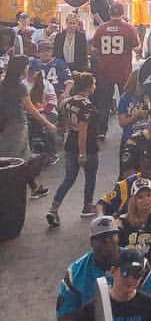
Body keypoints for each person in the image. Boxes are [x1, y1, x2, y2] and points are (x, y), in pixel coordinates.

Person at [0, 53, 56, 201]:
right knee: (14, 160)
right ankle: (13, 191)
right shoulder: (20, 87)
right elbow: (31, 110)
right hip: (18, 126)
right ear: (21, 68)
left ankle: (35, 187)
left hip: (4, 125)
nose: (27, 69)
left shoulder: (2, 83)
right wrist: (48, 124)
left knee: (21, 158)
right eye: (26, 67)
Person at [46, 71, 97, 227]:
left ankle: (54, 208)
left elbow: (61, 126)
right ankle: (87, 205)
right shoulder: (87, 105)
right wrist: (82, 153)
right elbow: (83, 131)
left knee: (69, 179)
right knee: (90, 178)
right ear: (89, 87)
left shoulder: (66, 103)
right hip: (86, 146)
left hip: (70, 144)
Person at [90, 2, 140, 136]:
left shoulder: (102, 28)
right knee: (127, 99)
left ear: (110, 12)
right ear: (122, 13)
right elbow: (137, 47)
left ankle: (102, 130)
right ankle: (130, 126)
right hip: (123, 70)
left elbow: (94, 48)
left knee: (104, 102)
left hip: (105, 70)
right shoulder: (129, 28)